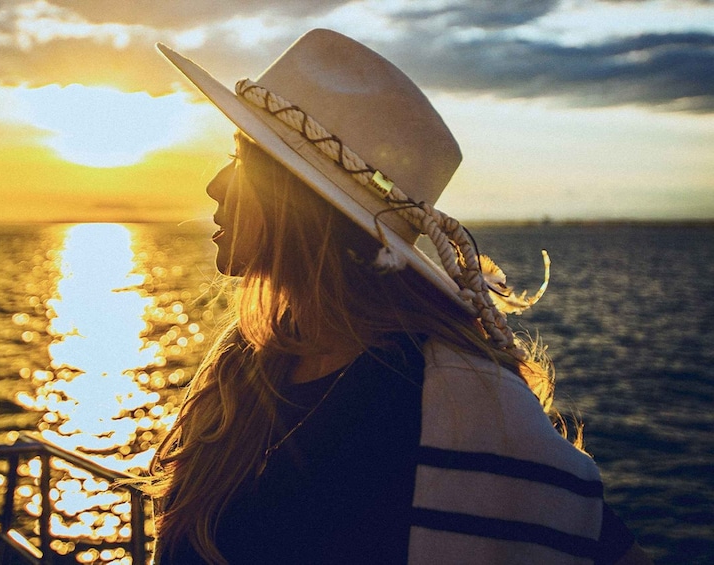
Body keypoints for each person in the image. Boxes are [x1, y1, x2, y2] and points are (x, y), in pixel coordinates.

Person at [148, 29, 652, 564]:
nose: (214, 186)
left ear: (300, 204)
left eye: (243, 158)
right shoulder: (250, 358)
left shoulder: (456, 401)